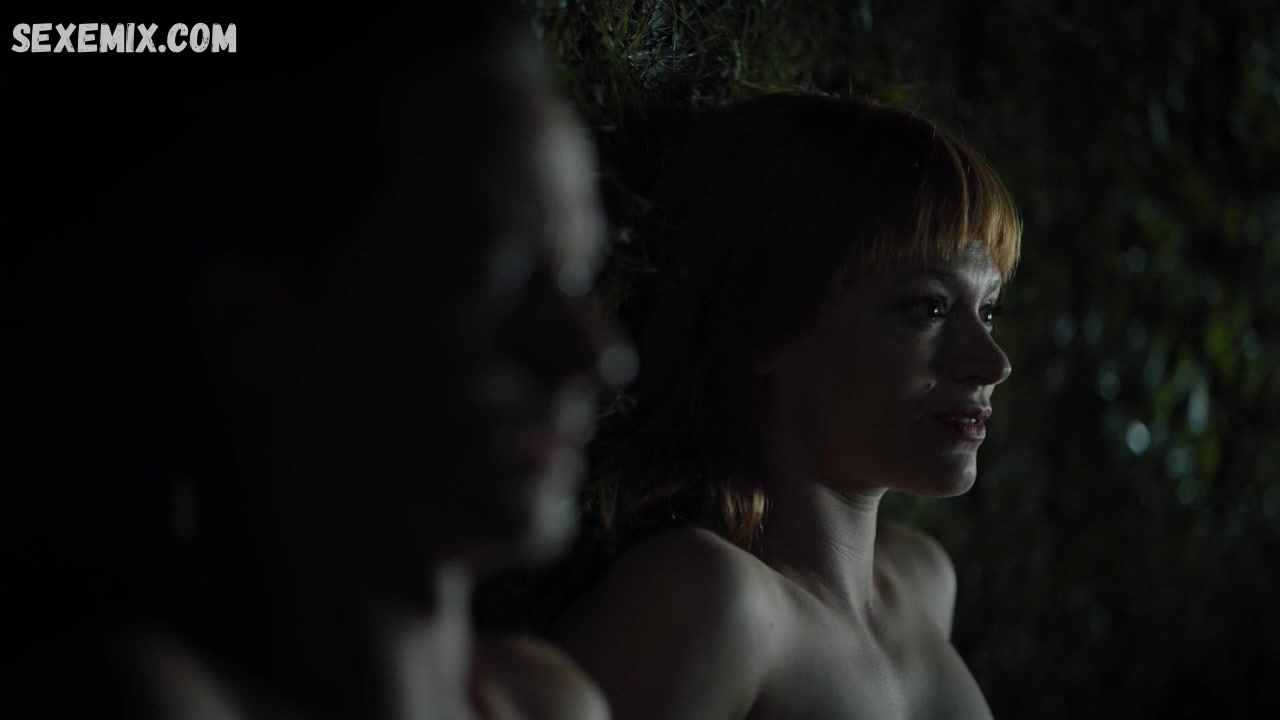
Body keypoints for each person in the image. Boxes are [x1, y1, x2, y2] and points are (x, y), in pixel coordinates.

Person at [18, 8, 618, 720]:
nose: (597, 356)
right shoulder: (130, 702)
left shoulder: (553, 701)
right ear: (254, 321)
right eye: (506, 275)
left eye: (579, 276)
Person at [552, 92, 1021, 719]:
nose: (992, 363)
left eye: (987, 311)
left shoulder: (924, 579)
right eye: (928, 308)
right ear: (763, 327)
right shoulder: (710, 601)